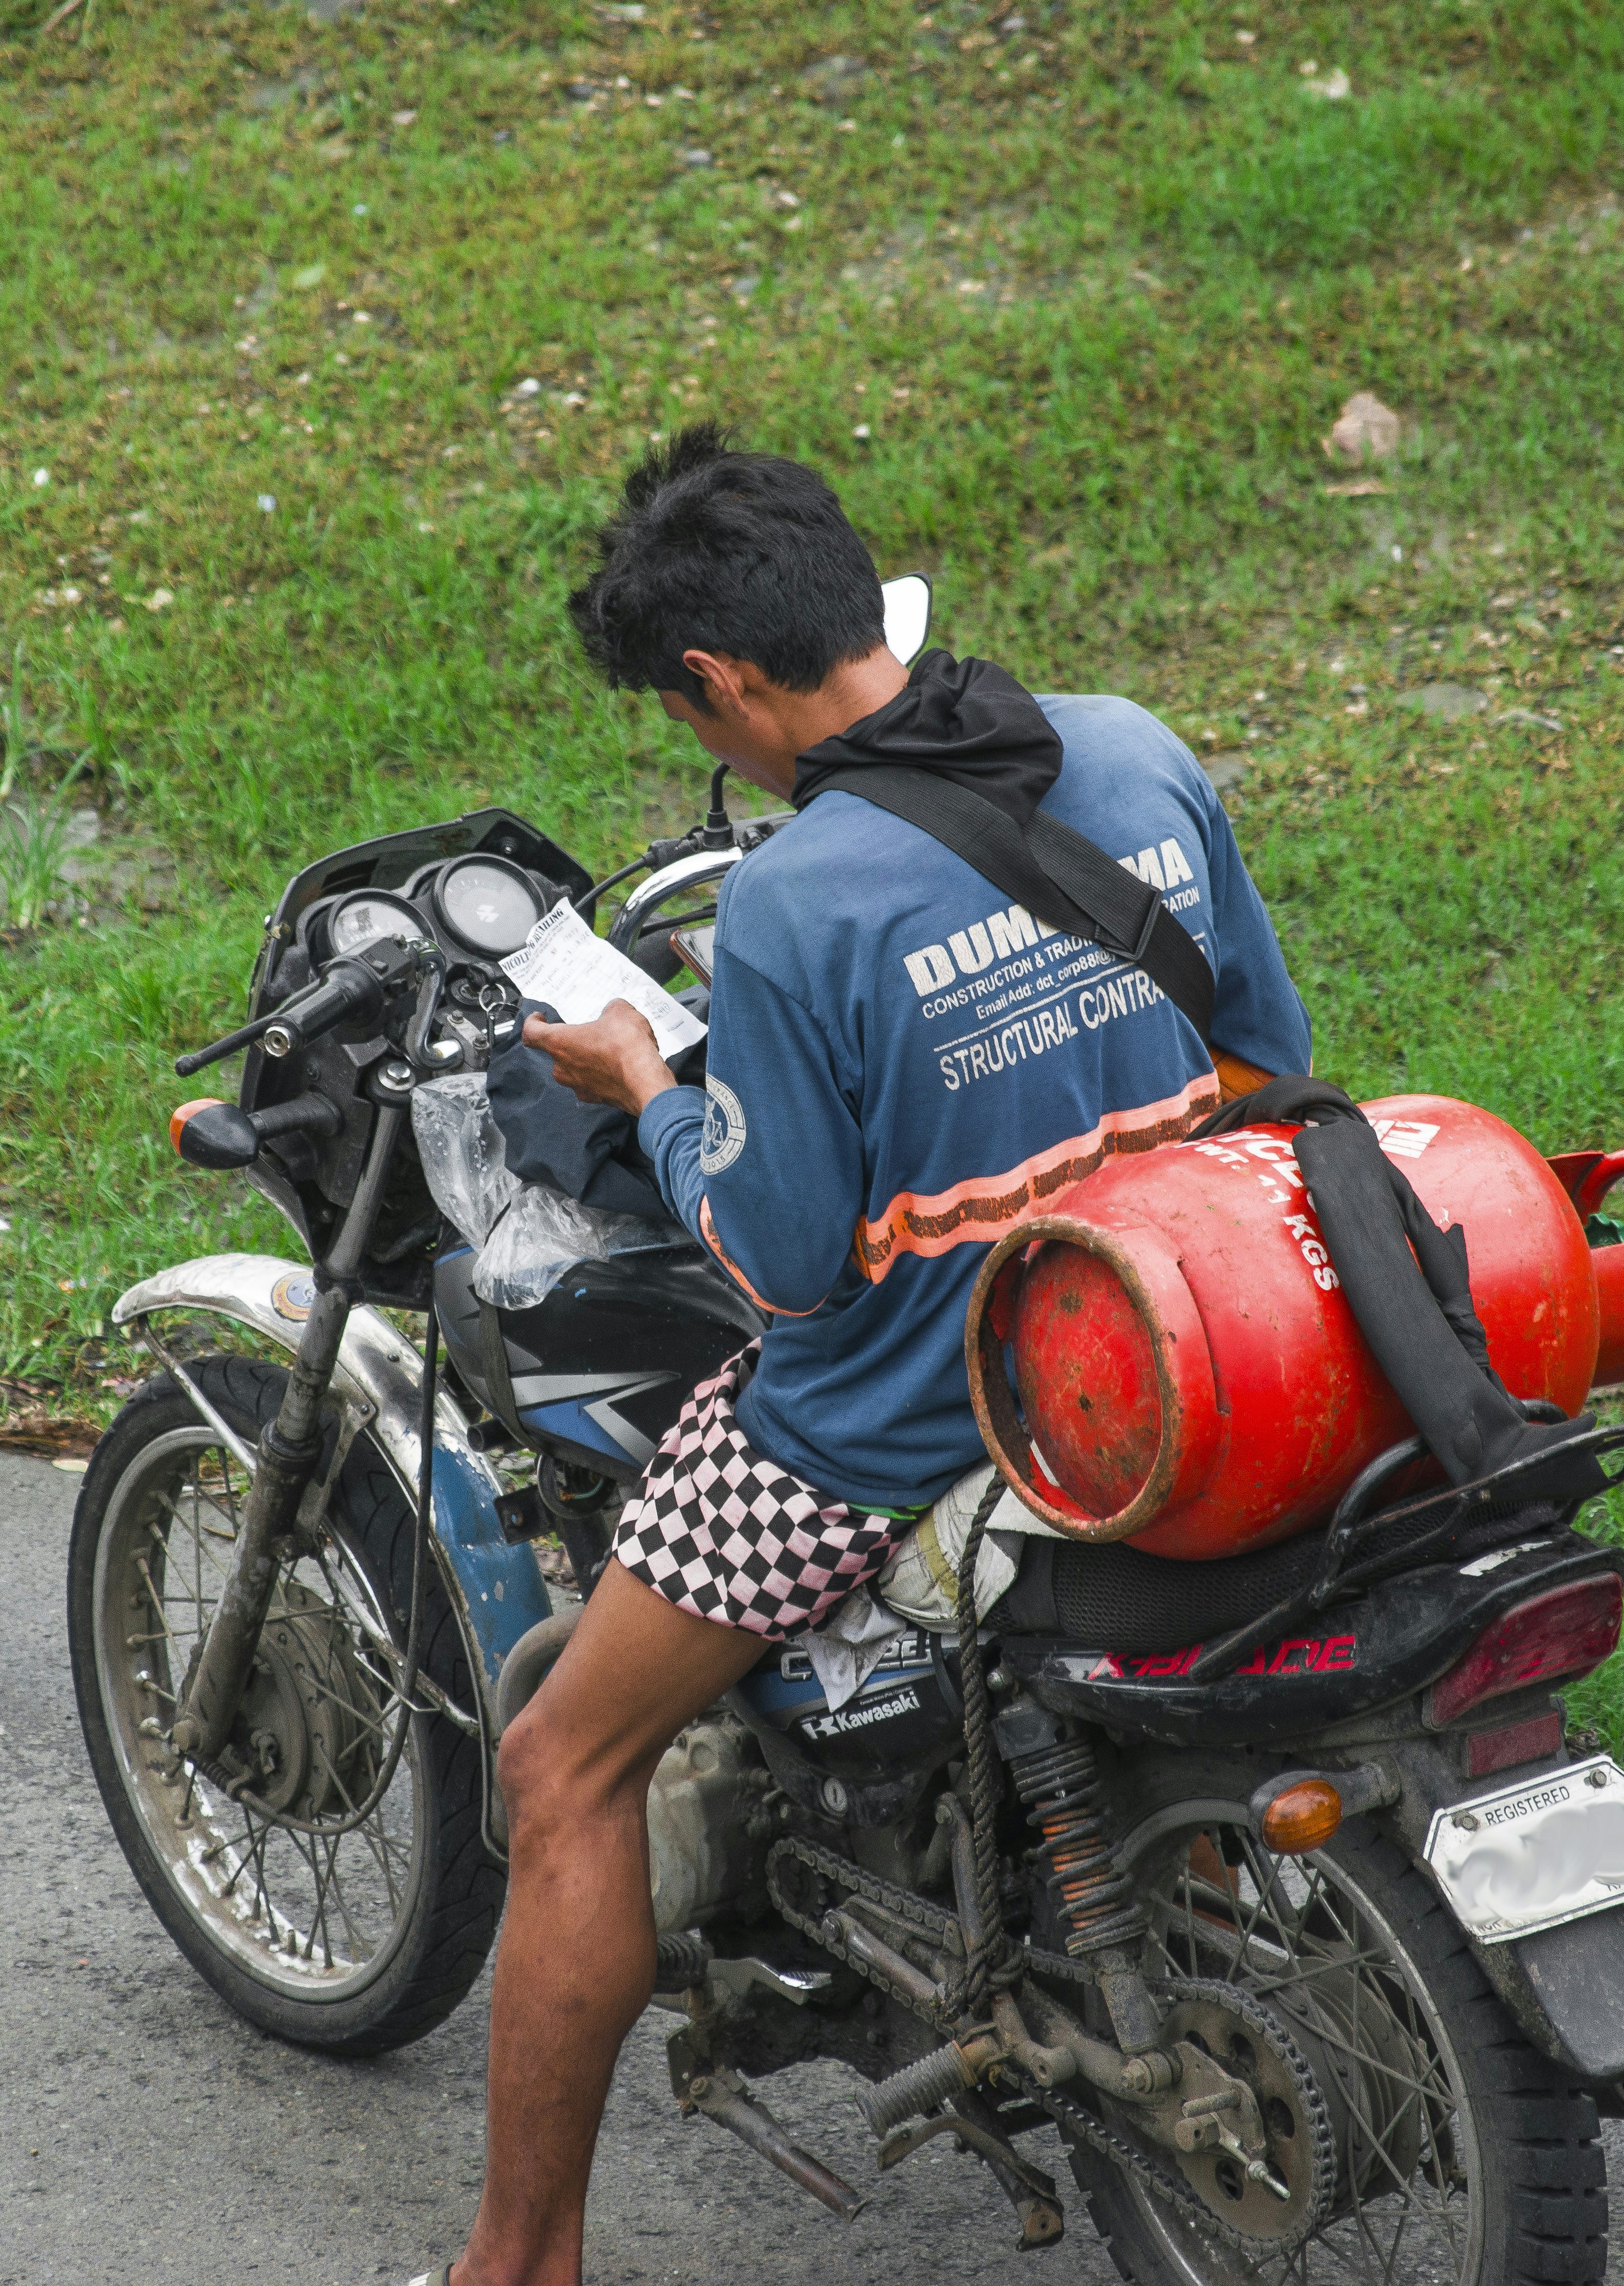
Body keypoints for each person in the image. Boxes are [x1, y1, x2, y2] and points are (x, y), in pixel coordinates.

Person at [418, 427, 1310, 2286]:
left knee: (561, 1762)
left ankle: (520, 2267)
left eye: (693, 723)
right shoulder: (1135, 747)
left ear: (717, 682)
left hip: (912, 1422)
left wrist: (655, 1090)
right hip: (1201, 1352)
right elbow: (1271, 1069)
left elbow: (785, 1264)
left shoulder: (802, 901)